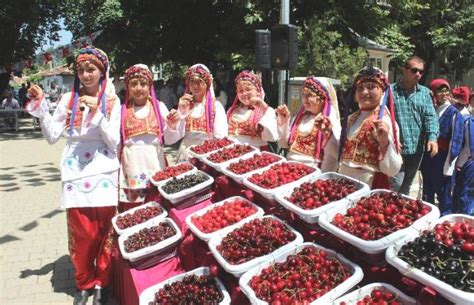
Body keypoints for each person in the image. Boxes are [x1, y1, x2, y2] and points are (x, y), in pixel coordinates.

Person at [25, 46, 120, 305]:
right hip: (75, 175)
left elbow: (114, 142)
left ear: (102, 72)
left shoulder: (112, 100)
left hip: (105, 173)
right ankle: (83, 282)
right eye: (81, 70)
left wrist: (97, 114)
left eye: (92, 69)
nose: (86, 75)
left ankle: (102, 282)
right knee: (82, 235)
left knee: (105, 233)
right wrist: (42, 107)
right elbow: (52, 136)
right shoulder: (68, 99)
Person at [118, 64, 181, 211]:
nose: (139, 88)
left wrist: (172, 125)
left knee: (157, 209)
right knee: (133, 213)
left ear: (149, 85)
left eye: (143, 84)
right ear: (128, 87)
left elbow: (170, 140)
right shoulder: (121, 111)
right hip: (131, 167)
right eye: (134, 84)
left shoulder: (159, 107)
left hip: (155, 164)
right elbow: (116, 144)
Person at [339, 67, 402, 188]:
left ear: (383, 91)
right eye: (360, 88)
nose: (364, 92)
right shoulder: (351, 119)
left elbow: (393, 170)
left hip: (368, 185)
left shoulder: (384, 121)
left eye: (371, 87)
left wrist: (384, 142)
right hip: (344, 182)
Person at [390, 56, 439, 194]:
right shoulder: (390, 91)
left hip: (416, 149)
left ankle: (401, 213)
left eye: (421, 71)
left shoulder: (424, 93)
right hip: (396, 148)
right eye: (414, 70)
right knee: (396, 184)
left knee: (406, 186)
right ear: (404, 70)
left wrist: (432, 137)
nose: (418, 74)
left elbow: (430, 117)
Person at [276, 76, 341, 171]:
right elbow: (284, 144)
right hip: (290, 170)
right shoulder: (300, 118)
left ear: (322, 99)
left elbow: (334, 156)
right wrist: (284, 120)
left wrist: (327, 133)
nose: (305, 99)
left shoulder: (329, 121)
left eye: (309, 95)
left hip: (312, 174)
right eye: (303, 95)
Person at [420, 79, 464, 215]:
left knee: (443, 190)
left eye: (446, 90)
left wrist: (450, 162)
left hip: (443, 157)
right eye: (440, 90)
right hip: (428, 157)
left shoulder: (454, 113)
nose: (443, 94)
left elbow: (457, 139)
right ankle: (427, 215)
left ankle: (444, 219)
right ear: (433, 92)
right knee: (427, 189)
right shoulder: (430, 109)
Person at [175, 64, 228, 161]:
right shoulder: (185, 104)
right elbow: (177, 133)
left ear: (207, 84)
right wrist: (181, 111)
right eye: (192, 82)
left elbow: (221, 136)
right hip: (186, 152)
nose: (195, 86)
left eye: (199, 82)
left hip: (207, 152)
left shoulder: (216, 106)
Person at [226, 70, 278, 150]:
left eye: (248, 89)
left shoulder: (264, 111)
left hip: (254, 157)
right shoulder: (232, 111)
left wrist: (262, 104)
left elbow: (271, 137)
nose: (244, 93)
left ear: (258, 91)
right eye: (240, 90)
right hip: (231, 154)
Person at [453, 116, 474, 215]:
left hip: (468, 163)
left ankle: (464, 218)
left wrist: (460, 162)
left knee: (465, 193)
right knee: (461, 192)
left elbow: (467, 147)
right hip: (465, 162)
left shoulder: (467, 121)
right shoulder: (467, 120)